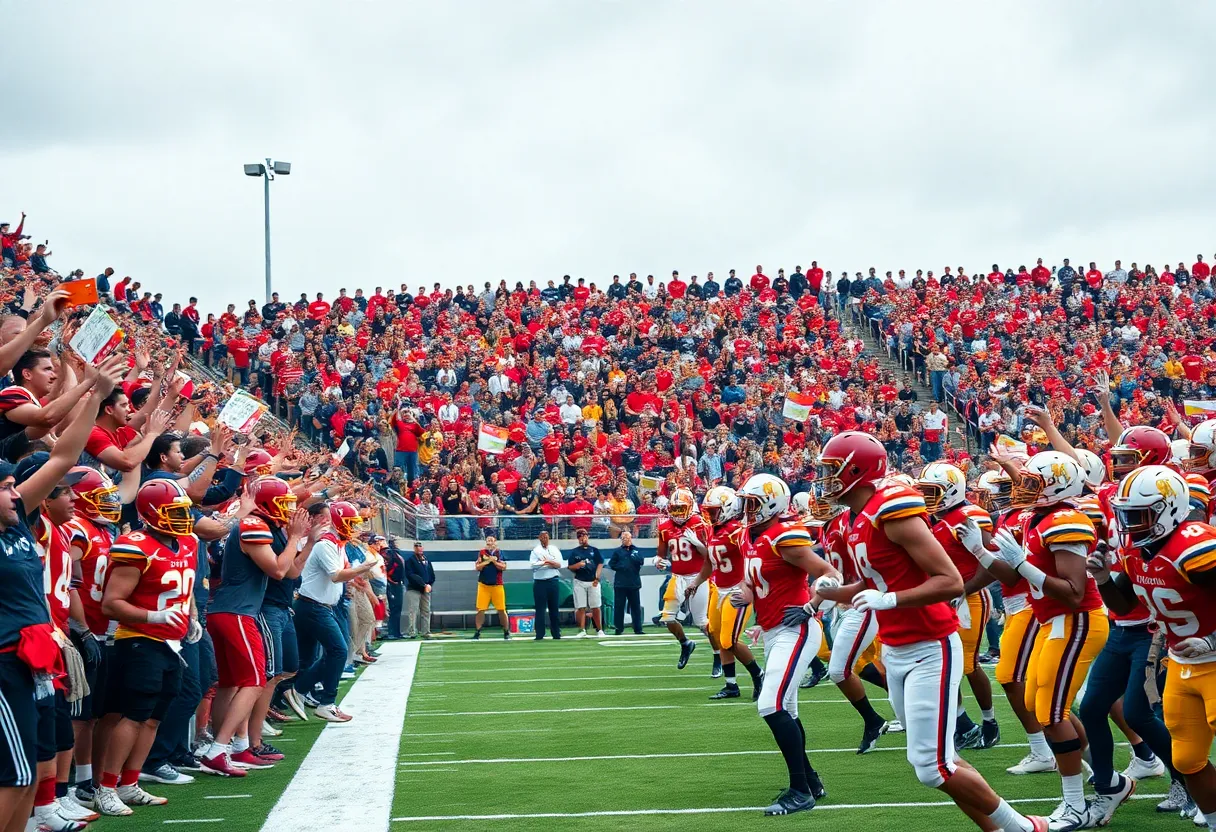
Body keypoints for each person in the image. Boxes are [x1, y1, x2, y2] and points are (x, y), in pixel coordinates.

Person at [815, 431, 1049, 832]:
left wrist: (888, 601)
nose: (825, 479)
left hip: (930, 645)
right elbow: (872, 580)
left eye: (831, 470)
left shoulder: (891, 510)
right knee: (939, 760)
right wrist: (833, 591)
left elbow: (950, 581)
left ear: (857, 469)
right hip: (897, 646)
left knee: (931, 767)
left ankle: (1025, 828)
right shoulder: (854, 520)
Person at [962, 449, 1106, 830]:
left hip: (1076, 620)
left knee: (1051, 713)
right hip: (1051, 622)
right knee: (1035, 701)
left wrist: (1023, 563)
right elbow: (1011, 580)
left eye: (1032, 482)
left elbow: (1074, 592)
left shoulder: (1066, 520)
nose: (1023, 487)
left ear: (1055, 486)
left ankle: (1076, 803)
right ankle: (1106, 777)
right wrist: (979, 549)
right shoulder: (1034, 518)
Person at [1102, 465, 1216, 830]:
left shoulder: (1194, 545)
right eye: (1126, 515)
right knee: (1187, 760)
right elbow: (1121, 606)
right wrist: (1102, 578)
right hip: (1183, 664)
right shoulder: (1139, 552)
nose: (1129, 524)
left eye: (1139, 515)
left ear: (1168, 509)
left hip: (1213, 661)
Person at [95, 480, 200, 816]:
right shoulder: (135, 545)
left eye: (183, 510)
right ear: (152, 513)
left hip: (173, 642)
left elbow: (187, 587)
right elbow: (111, 603)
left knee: (154, 718)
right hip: (140, 640)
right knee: (135, 714)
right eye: (174, 512)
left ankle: (129, 783)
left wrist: (192, 616)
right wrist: (152, 614)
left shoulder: (186, 544)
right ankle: (106, 788)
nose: (183, 518)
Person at [733, 474, 834, 816]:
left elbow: (828, 572)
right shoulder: (750, 535)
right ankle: (810, 781)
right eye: (744, 502)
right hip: (774, 631)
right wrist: (744, 597)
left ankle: (799, 791)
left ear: (771, 502)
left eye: (752, 503)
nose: (746, 509)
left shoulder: (783, 535)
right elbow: (754, 583)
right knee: (786, 710)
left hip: (798, 630)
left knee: (770, 704)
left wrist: (811, 604)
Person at [199, 477, 314, 776]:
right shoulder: (253, 525)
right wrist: (292, 539)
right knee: (254, 681)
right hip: (238, 612)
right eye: (284, 503)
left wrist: (305, 541)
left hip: (229, 611)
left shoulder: (260, 525)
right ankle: (219, 750)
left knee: (230, 683)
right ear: (266, 503)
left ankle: (233, 747)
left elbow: (290, 571)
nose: (288, 510)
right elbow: (277, 570)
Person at [916, 462, 1000, 751]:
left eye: (932, 491)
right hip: (945, 600)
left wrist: (962, 590)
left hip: (970, 599)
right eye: (925, 491)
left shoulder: (969, 516)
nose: (927, 497)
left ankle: (989, 722)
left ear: (951, 490)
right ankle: (964, 725)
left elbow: (992, 566)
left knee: (967, 665)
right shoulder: (937, 519)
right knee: (946, 667)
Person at [287, 502, 374, 723]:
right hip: (313, 605)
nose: (353, 528)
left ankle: (298, 689)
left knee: (314, 656)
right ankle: (326, 702)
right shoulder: (326, 544)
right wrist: (365, 566)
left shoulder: (336, 543)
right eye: (350, 523)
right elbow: (336, 575)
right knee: (338, 650)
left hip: (317, 605)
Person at [686, 486, 764, 701]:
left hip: (737, 590)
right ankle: (731, 685)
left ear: (728, 508)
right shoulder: (713, 530)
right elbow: (710, 563)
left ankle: (758, 675)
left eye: (713, 511)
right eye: (708, 511)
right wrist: (696, 581)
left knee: (729, 640)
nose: (710, 515)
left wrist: (748, 585)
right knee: (718, 636)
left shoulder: (738, 531)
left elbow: (751, 558)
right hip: (718, 589)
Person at [655, 488, 717, 674]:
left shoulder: (700, 523)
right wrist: (658, 561)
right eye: (674, 509)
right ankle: (685, 643)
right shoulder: (665, 527)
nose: (677, 514)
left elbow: (711, 557)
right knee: (667, 618)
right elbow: (659, 554)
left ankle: (718, 655)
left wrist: (698, 544)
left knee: (701, 622)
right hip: (678, 577)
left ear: (690, 506)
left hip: (698, 577)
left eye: (681, 509)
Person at [567, 528, 605, 638]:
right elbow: (570, 567)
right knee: (580, 606)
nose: (582, 538)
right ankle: (582, 629)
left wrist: (597, 577)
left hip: (592, 581)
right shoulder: (575, 552)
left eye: (584, 536)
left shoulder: (594, 550)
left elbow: (600, 563)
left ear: (587, 536)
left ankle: (599, 629)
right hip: (580, 580)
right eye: (580, 536)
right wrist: (578, 565)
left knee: (596, 606)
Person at [608, 530, 644, 635]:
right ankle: (618, 628)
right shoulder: (617, 552)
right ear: (621, 540)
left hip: (634, 583)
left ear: (631, 538)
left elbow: (641, 561)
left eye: (628, 538)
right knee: (619, 607)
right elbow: (611, 564)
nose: (626, 540)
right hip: (620, 583)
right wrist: (622, 567)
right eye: (624, 538)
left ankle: (638, 628)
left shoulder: (636, 550)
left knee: (636, 607)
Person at [473, 535, 509, 640]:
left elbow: (504, 567)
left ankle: (506, 631)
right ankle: (478, 631)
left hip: (497, 585)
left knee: (502, 609)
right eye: (488, 540)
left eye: (492, 540)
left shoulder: (499, 553)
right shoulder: (482, 552)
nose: (490, 542)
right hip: (483, 585)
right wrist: (488, 561)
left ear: (495, 542)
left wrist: (494, 561)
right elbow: (477, 567)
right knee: (480, 609)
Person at [529, 530, 563, 641]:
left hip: (553, 581)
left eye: (546, 537)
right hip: (540, 582)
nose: (545, 539)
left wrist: (547, 562)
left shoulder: (554, 549)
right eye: (542, 537)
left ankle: (556, 633)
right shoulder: (535, 551)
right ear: (539, 538)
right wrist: (547, 563)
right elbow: (533, 565)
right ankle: (539, 633)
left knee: (554, 608)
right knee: (540, 609)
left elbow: (558, 564)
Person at [403, 540, 435, 639]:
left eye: (420, 546)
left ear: (423, 548)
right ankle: (412, 631)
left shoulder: (426, 560)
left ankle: (426, 631)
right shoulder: (410, 561)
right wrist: (423, 584)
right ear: (414, 548)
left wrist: (429, 584)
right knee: (413, 611)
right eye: (416, 546)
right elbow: (411, 575)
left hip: (426, 589)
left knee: (426, 610)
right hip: (414, 588)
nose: (419, 548)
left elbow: (431, 574)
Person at [383, 538, 406, 640]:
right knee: (393, 609)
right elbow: (385, 570)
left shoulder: (396, 555)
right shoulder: (389, 556)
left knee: (397, 609)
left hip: (398, 584)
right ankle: (391, 632)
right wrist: (390, 581)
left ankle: (397, 631)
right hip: (393, 585)